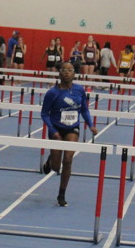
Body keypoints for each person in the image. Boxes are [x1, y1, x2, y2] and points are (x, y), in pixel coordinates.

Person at [40, 62, 94, 207]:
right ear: (59, 73)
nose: (67, 72)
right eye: (64, 70)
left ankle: (62, 194)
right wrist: (53, 131)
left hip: (72, 128)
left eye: (70, 70)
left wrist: (91, 125)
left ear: (74, 73)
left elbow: (84, 110)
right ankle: (50, 161)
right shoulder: (52, 93)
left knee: (68, 160)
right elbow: (44, 114)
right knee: (56, 167)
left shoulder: (79, 90)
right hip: (56, 129)